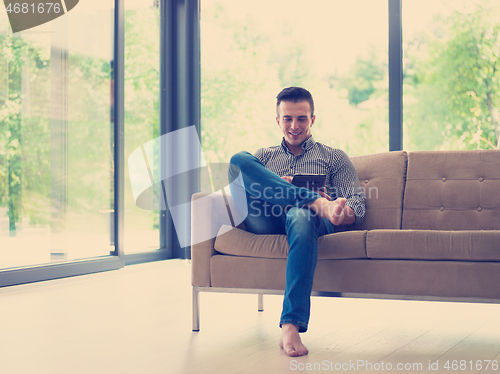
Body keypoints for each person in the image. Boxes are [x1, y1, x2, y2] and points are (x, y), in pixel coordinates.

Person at [228, 87, 365, 357]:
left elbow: (357, 204)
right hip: (267, 219)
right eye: (287, 118)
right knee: (237, 160)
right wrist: (286, 188)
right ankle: (313, 201)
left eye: (301, 118)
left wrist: (339, 212)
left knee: (301, 213)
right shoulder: (264, 157)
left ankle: (290, 324)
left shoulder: (334, 157)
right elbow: (244, 181)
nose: (294, 126)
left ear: (313, 119)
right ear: (277, 120)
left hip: (309, 222)